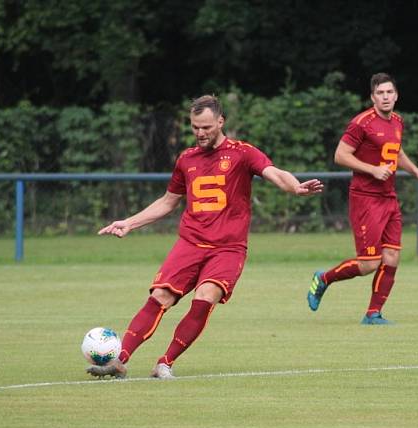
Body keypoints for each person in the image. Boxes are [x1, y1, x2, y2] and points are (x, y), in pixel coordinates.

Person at [87, 95, 323, 379]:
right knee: (160, 296)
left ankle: (165, 362)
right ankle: (118, 360)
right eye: (195, 127)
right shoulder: (186, 159)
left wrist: (295, 188)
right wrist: (129, 223)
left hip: (228, 248)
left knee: (205, 296)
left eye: (207, 127)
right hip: (190, 243)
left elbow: (273, 172)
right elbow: (167, 201)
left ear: (221, 122)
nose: (200, 133)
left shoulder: (243, 153)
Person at [306, 73, 418, 324]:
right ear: (373, 97)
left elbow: (396, 152)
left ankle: (373, 313)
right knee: (369, 264)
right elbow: (341, 155)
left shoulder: (397, 121)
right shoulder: (361, 123)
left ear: (396, 95)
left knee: (392, 257)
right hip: (366, 198)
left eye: (389, 92)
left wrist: (416, 171)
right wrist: (372, 169)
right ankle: (324, 278)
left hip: (389, 197)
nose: (385, 97)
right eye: (380, 93)